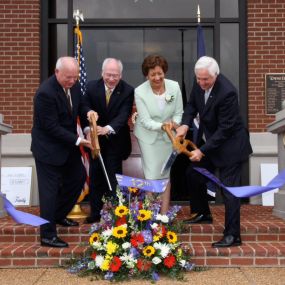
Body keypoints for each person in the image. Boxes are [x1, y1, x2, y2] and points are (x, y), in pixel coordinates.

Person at [176, 56, 252, 247]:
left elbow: (225, 129)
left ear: (215, 76)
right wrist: (185, 125)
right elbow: (192, 105)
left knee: (229, 191)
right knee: (193, 173)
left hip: (230, 147)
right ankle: (203, 213)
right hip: (210, 142)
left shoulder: (228, 93)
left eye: (206, 80)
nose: (201, 83)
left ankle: (233, 235)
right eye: (199, 79)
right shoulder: (199, 81)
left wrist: (201, 151)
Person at [31, 56, 94, 248]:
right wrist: (79, 140)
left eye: (75, 77)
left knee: (77, 178)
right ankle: (47, 235)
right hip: (48, 150)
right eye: (68, 77)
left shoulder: (73, 85)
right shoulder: (45, 93)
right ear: (57, 72)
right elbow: (51, 127)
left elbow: (80, 107)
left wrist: (88, 125)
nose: (72, 81)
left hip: (68, 147)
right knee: (48, 193)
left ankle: (59, 215)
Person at [81, 58, 134, 224]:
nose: (112, 79)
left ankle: (117, 214)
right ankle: (95, 213)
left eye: (115, 75)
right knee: (95, 177)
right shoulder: (90, 87)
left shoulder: (127, 90)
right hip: (95, 142)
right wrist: (90, 123)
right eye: (108, 75)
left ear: (121, 75)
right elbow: (83, 107)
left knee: (113, 178)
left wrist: (107, 129)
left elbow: (123, 115)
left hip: (115, 141)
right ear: (102, 73)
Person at [134, 55, 183, 214]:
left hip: (169, 139)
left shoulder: (174, 87)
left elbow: (178, 113)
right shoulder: (140, 91)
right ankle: (148, 215)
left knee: (165, 174)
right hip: (149, 138)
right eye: (152, 74)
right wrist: (163, 126)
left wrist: (174, 124)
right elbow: (146, 121)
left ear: (164, 72)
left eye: (159, 73)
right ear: (146, 75)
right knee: (153, 175)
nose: (157, 77)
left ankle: (163, 215)